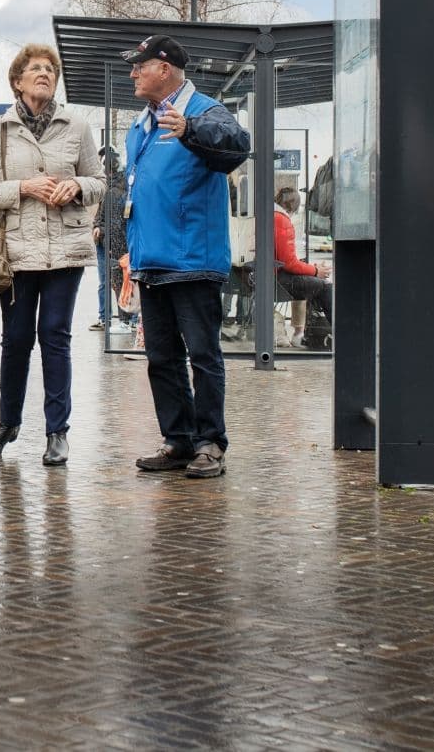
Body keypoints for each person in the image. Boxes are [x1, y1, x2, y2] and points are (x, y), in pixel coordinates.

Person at [119, 34, 250, 481]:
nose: (133, 73)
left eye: (140, 66)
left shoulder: (202, 111)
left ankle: (210, 443)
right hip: (151, 261)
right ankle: (177, 440)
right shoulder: (140, 124)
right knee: (161, 358)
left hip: (193, 260)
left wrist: (191, 131)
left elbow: (236, 145)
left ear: (165, 68)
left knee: (203, 355)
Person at [0, 44, 103, 466]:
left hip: (66, 249)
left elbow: (99, 180)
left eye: (51, 69)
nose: (45, 74)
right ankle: (7, 425)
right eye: (36, 69)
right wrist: (23, 188)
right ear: (17, 81)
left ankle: (57, 431)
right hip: (17, 251)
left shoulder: (77, 126)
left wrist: (77, 187)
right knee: (17, 339)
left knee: (56, 337)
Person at [272, 186, 333, 348]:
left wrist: (313, 269)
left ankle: (301, 334)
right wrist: (316, 270)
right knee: (324, 287)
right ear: (294, 205)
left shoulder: (271, 216)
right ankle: (341, 332)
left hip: (268, 275)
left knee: (310, 283)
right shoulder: (282, 220)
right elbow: (290, 263)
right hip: (277, 278)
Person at [92, 147, 126, 331]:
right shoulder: (110, 187)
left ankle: (122, 318)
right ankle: (111, 317)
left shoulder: (114, 189)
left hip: (111, 240)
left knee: (112, 281)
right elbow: (102, 214)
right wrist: (98, 225)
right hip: (107, 239)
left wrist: (100, 227)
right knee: (110, 281)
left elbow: (112, 218)